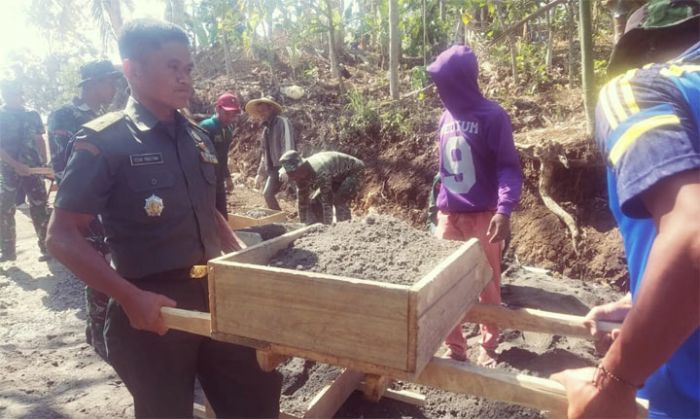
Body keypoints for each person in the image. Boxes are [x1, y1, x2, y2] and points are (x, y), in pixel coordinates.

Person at [46, 19, 281, 417]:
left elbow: (207, 211)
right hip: (153, 312)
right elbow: (62, 237)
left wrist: (240, 255)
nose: (184, 78)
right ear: (132, 69)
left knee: (255, 402)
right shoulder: (105, 141)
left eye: (187, 68)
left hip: (220, 298)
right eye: (171, 66)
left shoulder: (197, 137)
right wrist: (130, 297)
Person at [552, 1, 700, 418]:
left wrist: (613, 382)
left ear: (645, 50)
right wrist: (642, 300)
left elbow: (693, 239)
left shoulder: (639, 88)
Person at [427, 45, 523, 367]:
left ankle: (489, 344)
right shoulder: (444, 117)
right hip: (449, 215)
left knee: (487, 282)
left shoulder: (492, 116)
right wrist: (438, 205)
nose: (441, 91)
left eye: (445, 84)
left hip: (483, 216)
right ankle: (455, 346)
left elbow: (508, 166)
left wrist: (504, 209)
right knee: (442, 283)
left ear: (462, 81)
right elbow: (444, 168)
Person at [47, 59, 122, 361]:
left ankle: (97, 331)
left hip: (103, 204)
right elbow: (63, 166)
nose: (114, 87)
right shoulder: (65, 115)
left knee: (105, 262)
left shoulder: (101, 116)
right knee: (96, 265)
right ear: (91, 83)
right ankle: (100, 334)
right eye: (109, 81)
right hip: (82, 205)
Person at [0, 80, 51, 262]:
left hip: (33, 169)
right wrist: (15, 165)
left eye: (19, 93)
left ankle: (46, 247)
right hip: (8, 170)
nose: (18, 97)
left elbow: (39, 139)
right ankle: (7, 251)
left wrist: (44, 163)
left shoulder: (32, 114)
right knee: (5, 209)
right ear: (5, 95)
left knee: (39, 206)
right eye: (13, 93)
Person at [278, 150, 364, 224]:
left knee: (339, 200)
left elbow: (327, 201)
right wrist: (302, 224)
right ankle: (318, 227)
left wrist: (327, 227)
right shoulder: (299, 176)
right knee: (315, 201)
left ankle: (344, 228)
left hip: (355, 172)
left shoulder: (320, 170)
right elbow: (302, 202)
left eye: (292, 174)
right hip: (336, 177)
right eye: (289, 174)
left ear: (300, 168)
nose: (292, 178)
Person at [246, 97, 295, 211]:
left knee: (301, 193)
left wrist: (285, 167)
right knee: (267, 194)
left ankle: (313, 221)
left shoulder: (282, 122)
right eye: (259, 111)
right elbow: (265, 154)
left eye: (263, 110)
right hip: (275, 169)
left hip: (291, 165)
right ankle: (280, 221)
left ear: (271, 108)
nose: (261, 114)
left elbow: (288, 145)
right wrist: (260, 173)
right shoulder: (265, 130)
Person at [199, 92, 242, 218]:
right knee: (207, 212)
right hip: (204, 179)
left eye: (233, 115)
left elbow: (223, 157)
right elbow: (199, 155)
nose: (230, 118)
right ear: (218, 109)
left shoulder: (227, 131)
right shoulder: (206, 127)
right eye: (226, 113)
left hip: (218, 179)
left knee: (222, 212)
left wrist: (227, 177)